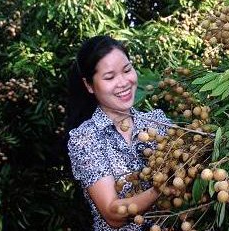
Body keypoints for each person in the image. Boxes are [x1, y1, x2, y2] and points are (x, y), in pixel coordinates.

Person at [65, 35, 169, 230]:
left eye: (127, 70)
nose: (123, 83)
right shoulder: (85, 138)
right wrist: (164, 186)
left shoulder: (158, 122)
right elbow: (113, 214)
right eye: (110, 77)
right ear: (89, 85)